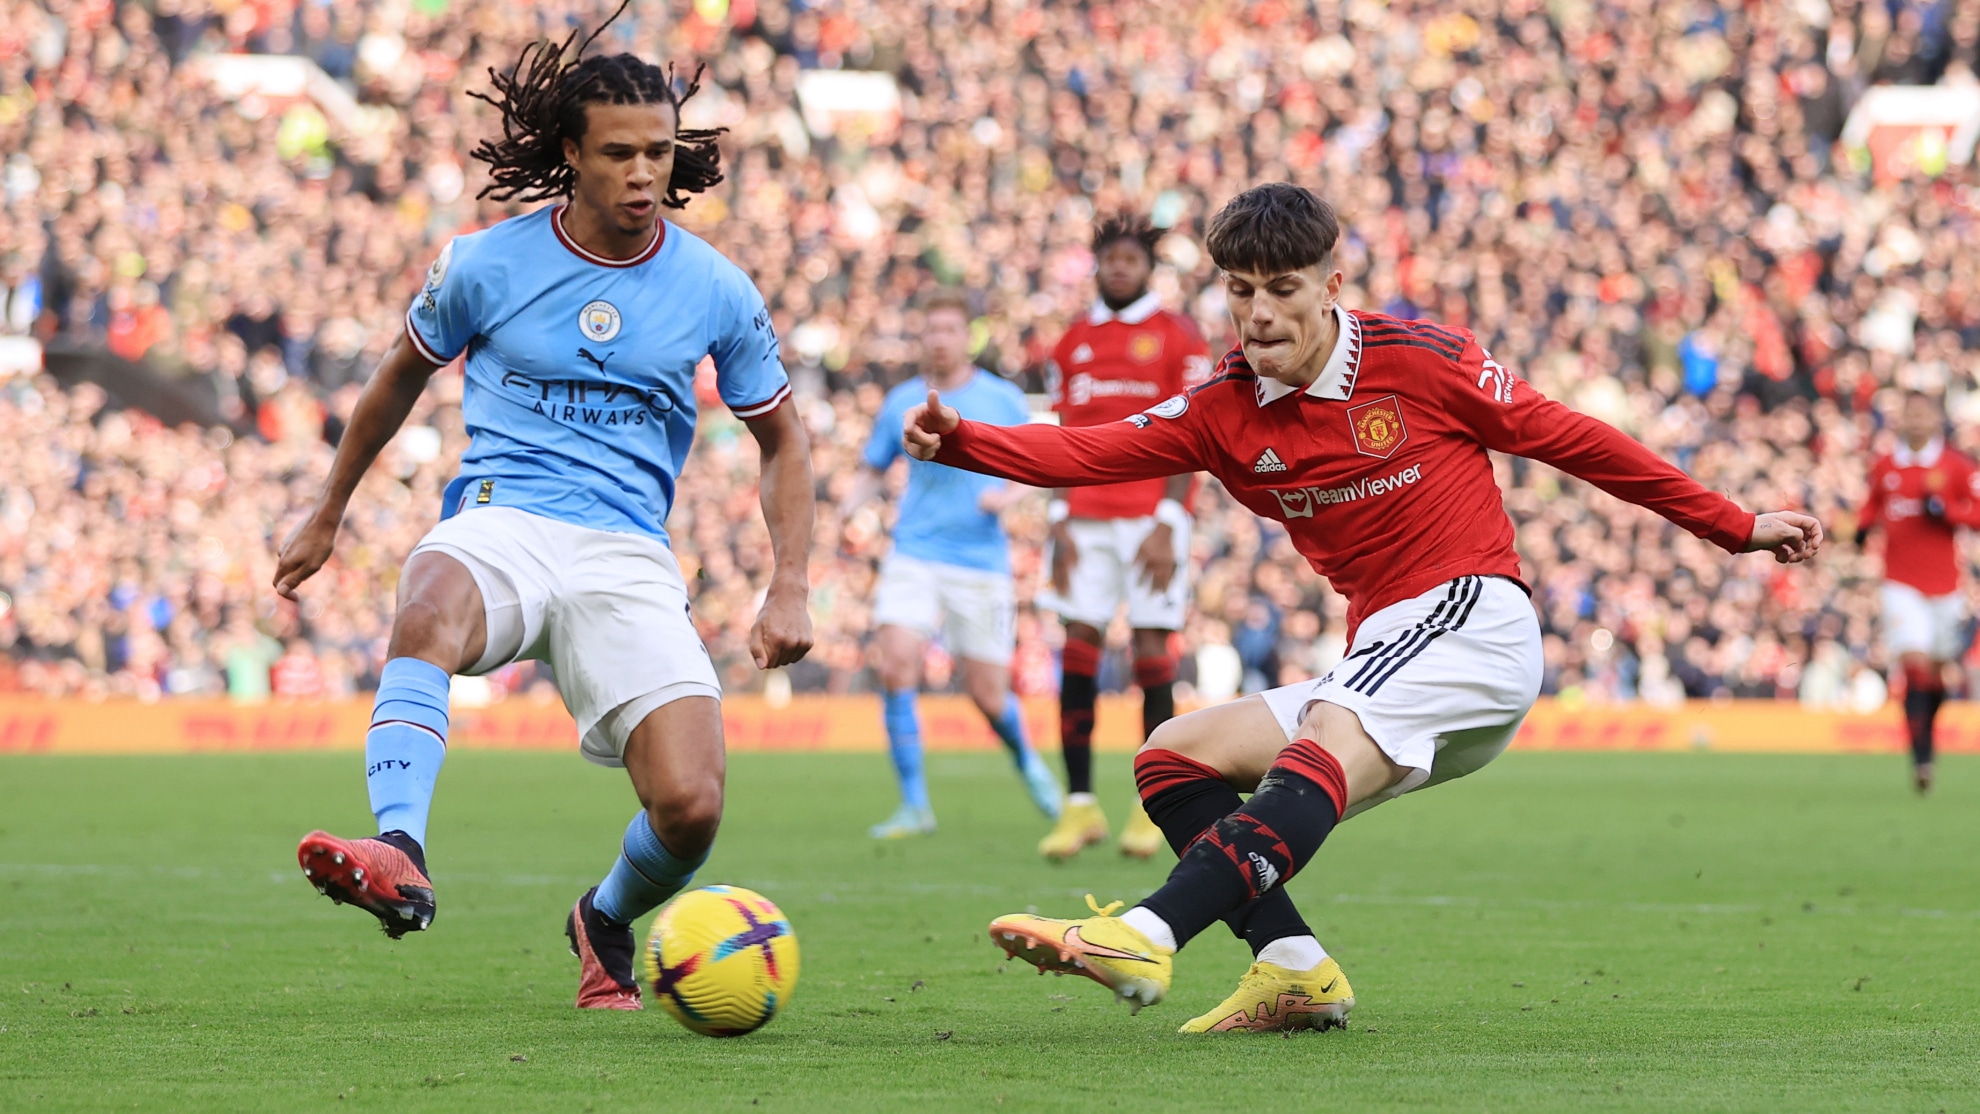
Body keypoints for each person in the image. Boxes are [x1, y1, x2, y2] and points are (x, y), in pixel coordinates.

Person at [901, 183, 1823, 1033]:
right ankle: (1293, 966)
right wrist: (964, 442)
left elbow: (1572, 438)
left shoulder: (1422, 361)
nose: (1259, 313)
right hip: (1388, 649)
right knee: (1172, 757)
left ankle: (1146, 930)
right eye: (1239, 290)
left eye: (1282, 289)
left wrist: (1732, 524)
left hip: (1471, 617)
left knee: (1321, 742)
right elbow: (1092, 451)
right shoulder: (1222, 405)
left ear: (1332, 284)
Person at [273, 10, 815, 1012]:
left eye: (659, 151)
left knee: (692, 807)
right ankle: (400, 850)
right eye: (619, 154)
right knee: (428, 600)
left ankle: (603, 915)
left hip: (627, 552)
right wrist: (328, 510)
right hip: (504, 516)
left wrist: (790, 582)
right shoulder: (484, 262)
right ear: (571, 153)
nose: (644, 173)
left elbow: (783, 437)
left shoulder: (715, 288)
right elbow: (398, 379)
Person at [840, 288, 1061, 839]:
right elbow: (874, 466)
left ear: (967, 337)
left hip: (980, 561)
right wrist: (842, 507)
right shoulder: (901, 402)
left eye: (948, 329)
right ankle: (915, 805)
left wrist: (1006, 498)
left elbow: (1037, 463)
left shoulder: (1003, 399)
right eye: (930, 329)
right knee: (895, 665)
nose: (938, 339)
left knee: (988, 695)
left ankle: (1030, 764)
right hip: (914, 551)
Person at [1035, 214, 1210, 862]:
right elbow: (1059, 435)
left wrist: (1170, 521)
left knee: (1149, 647)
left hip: (1149, 519)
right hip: (1082, 516)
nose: (1119, 268)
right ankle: (1079, 805)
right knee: (1078, 642)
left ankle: (1151, 803)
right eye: (1109, 257)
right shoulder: (1072, 342)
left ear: (1148, 268)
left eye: (1131, 259)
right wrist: (1057, 522)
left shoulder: (1177, 335)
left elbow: (1195, 432)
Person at [1856, 391, 1979, 794]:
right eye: (1910, 414)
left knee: (1940, 671)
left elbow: (1976, 515)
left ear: (1935, 419)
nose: (1916, 420)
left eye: (1923, 414)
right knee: (1914, 663)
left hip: (1945, 586)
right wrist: (1860, 528)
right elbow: (1872, 505)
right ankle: (1921, 758)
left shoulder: (1955, 466)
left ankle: (1927, 733)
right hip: (1900, 583)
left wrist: (1949, 512)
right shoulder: (1887, 465)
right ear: (1902, 419)